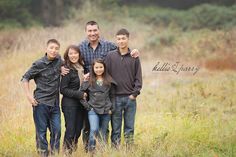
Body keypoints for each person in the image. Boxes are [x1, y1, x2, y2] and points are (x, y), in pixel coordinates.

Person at [21, 39, 62, 157]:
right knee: (41, 133)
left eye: (56, 48)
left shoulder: (59, 61)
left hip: (55, 104)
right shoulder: (38, 64)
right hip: (40, 104)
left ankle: (54, 154)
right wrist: (29, 96)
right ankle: (43, 155)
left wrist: (62, 69)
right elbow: (25, 78)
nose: (54, 51)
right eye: (51, 48)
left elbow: (68, 65)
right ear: (46, 49)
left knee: (57, 131)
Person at [105, 29, 142, 148]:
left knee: (129, 128)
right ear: (116, 40)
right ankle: (115, 151)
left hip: (130, 98)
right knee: (115, 128)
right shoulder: (110, 56)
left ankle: (128, 151)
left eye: (123, 38)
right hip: (115, 98)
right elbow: (106, 74)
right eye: (119, 39)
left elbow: (138, 77)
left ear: (128, 39)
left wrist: (134, 94)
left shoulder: (134, 57)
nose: (121, 41)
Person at [80, 59, 116, 152]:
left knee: (103, 132)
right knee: (94, 129)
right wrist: (88, 106)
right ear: (93, 68)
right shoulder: (89, 80)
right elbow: (80, 95)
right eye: (96, 67)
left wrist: (112, 108)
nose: (99, 69)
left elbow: (112, 96)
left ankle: (102, 152)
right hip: (93, 109)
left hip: (106, 110)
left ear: (104, 68)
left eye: (101, 67)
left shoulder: (108, 80)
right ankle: (91, 151)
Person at [60, 45, 87, 154]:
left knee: (78, 130)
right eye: (71, 53)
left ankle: (72, 151)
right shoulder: (67, 69)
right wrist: (80, 94)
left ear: (79, 54)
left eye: (75, 53)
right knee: (70, 130)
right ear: (67, 55)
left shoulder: (81, 67)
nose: (73, 55)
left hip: (80, 104)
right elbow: (63, 89)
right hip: (69, 104)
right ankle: (66, 152)